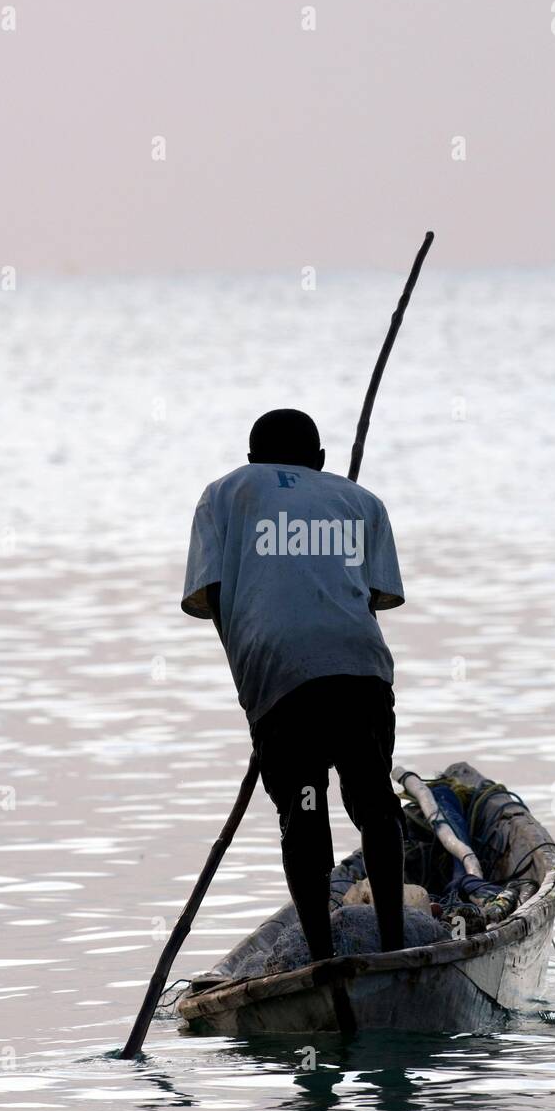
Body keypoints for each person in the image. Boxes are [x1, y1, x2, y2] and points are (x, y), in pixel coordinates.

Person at [181, 408, 406, 961]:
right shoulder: (360, 500)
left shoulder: (223, 494)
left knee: (304, 812)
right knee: (375, 803)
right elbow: (375, 596)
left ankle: (324, 957)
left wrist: (260, 684)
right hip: (359, 669)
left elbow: (207, 597)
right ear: (322, 462)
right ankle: (397, 943)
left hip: (279, 677)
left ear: (252, 459)